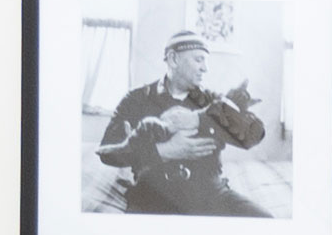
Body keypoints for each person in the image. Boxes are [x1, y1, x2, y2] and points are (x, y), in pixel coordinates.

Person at [90, 22, 287, 220]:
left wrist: (199, 119)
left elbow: (254, 136)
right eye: (199, 60)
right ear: (174, 59)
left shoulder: (212, 101)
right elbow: (107, 152)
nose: (205, 68)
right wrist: (162, 152)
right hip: (152, 196)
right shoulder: (136, 100)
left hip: (211, 195)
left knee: (266, 223)